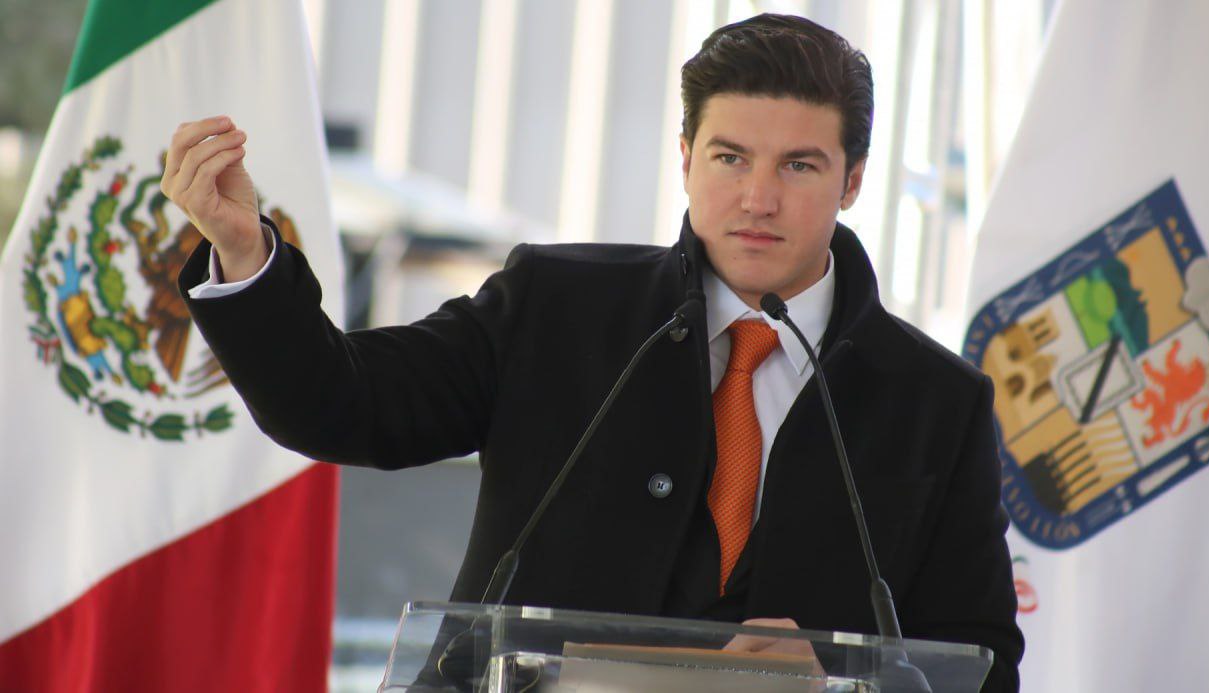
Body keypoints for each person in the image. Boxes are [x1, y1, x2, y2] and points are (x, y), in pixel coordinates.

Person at [164, 14, 1023, 691]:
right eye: (730, 157)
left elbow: (981, 663)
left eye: (799, 166)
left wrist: (839, 679)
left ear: (853, 180)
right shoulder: (552, 306)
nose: (758, 198)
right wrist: (245, 255)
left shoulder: (936, 401)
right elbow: (342, 404)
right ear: (685, 160)